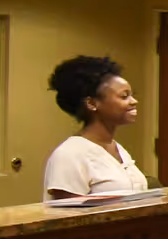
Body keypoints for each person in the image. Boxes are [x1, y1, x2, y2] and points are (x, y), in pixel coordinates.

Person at [43, 55, 149, 200]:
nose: (134, 101)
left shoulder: (118, 149)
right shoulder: (69, 155)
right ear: (92, 104)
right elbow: (68, 218)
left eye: (132, 95)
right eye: (124, 96)